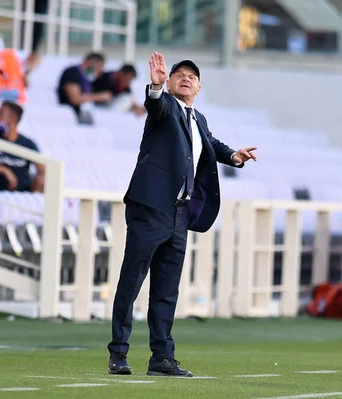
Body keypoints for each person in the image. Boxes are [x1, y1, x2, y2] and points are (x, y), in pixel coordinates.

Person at [107, 53, 257, 377]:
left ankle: (161, 358)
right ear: (171, 82)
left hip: (179, 214)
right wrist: (157, 87)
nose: (185, 78)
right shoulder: (165, 108)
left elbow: (210, 143)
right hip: (150, 209)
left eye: (192, 76)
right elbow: (156, 105)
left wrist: (232, 155)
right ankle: (118, 352)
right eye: (179, 74)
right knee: (132, 281)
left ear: (199, 87)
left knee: (166, 289)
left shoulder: (198, 117)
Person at [0, 101, 45, 193]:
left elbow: (43, 169)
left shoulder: (27, 144)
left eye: (0, 114)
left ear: (12, 119)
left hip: (23, 196)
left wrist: (39, 179)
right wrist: (5, 171)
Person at [56, 52, 113, 120]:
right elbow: (75, 99)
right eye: (98, 68)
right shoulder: (72, 73)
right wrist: (99, 96)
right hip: (69, 115)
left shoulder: (87, 77)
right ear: (90, 63)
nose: (98, 72)